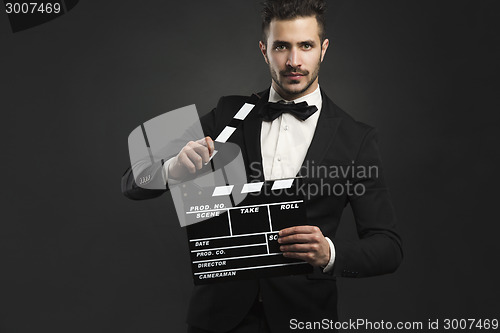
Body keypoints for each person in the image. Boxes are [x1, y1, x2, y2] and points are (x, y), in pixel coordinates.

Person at [122, 0, 403, 332]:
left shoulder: (356, 137)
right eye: (281, 46)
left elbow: (388, 247)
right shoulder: (228, 113)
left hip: (305, 317)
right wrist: (174, 169)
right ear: (264, 50)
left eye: (306, 46)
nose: (293, 61)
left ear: (323, 49)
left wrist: (329, 253)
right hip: (218, 319)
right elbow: (132, 181)